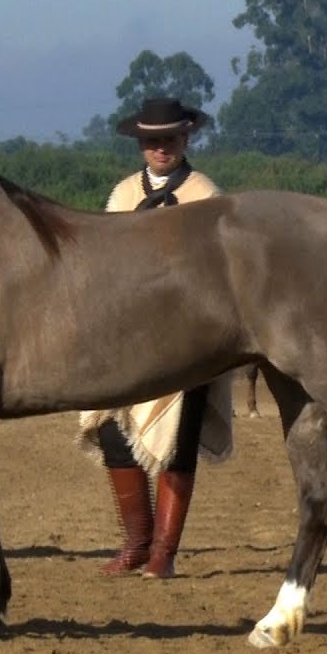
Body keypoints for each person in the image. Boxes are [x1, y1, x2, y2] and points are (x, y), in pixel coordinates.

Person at [87, 97, 235, 580]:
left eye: (169, 139)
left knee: (179, 439)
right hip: (127, 337)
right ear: (141, 145)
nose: (161, 148)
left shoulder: (205, 195)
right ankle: (135, 542)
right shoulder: (124, 194)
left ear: (186, 138)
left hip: (189, 336)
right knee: (110, 428)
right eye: (152, 141)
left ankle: (164, 553)